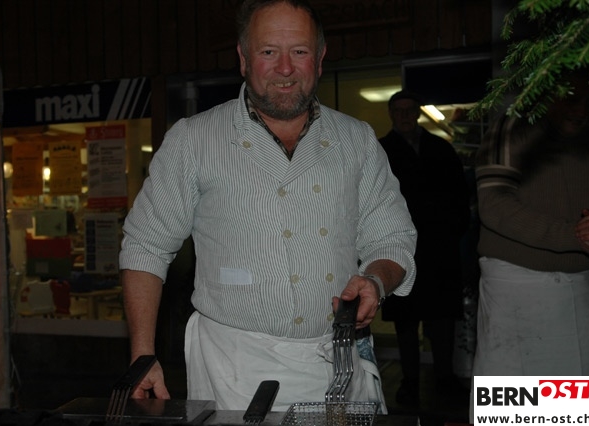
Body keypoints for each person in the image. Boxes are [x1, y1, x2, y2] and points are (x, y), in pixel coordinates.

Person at [119, 0, 417, 413]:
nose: (285, 68)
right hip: (233, 368)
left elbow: (393, 238)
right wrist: (143, 354)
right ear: (243, 58)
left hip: (339, 361)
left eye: (299, 51)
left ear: (320, 58)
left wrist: (376, 281)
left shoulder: (358, 140)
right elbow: (146, 246)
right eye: (268, 52)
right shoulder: (193, 140)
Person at [471, 68, 589, 380]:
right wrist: (573, 235)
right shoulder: (513, 126)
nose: (581, 110)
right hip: (518, 286)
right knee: (512, 397)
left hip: (580, 288)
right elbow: (494, 206)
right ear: (549, 92)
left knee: (571, 396)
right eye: (572, 99)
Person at [378, 90, 470, 406]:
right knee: (406, 321)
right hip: (401, 250)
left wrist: (453, 232)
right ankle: (409, 382)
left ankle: (444, 378)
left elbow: (460, 197)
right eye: (399, 110)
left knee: (442, 319)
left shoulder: (440, 148)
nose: (405, 115)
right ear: (391, 114)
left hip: (440, 248)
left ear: (417, 112)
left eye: (409, 109)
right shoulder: (381, 151)